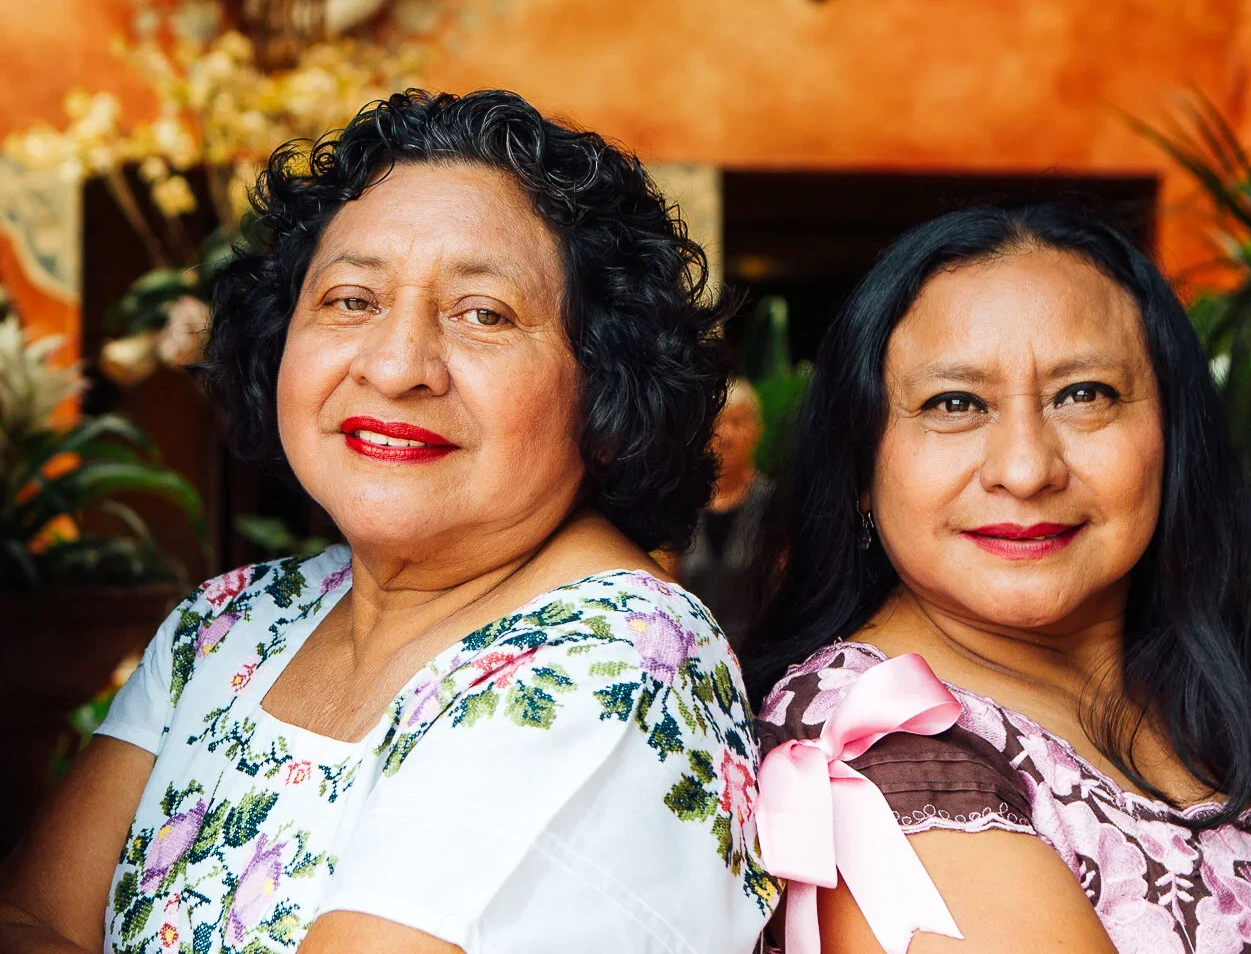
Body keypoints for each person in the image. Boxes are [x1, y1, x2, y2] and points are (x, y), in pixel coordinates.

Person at [0, 90, 775, 953]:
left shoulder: (619, 660)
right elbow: (27, 916)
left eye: (483, 313)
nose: (399, 365)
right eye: (350, 300)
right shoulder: (230, 624)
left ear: (605, 382)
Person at [746, 205, 1251, 954]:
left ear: (1174, 436)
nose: (1026, 468)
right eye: (955, 403)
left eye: (1085, 394)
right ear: (861, 467)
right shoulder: (874, 746)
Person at [676, 378, 774, 648]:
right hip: (696, 655)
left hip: (759, 658)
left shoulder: (774, 504)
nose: (725, 436)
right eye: (717, 423)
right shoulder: (684, 505)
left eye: (737, 422)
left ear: (757, 430)